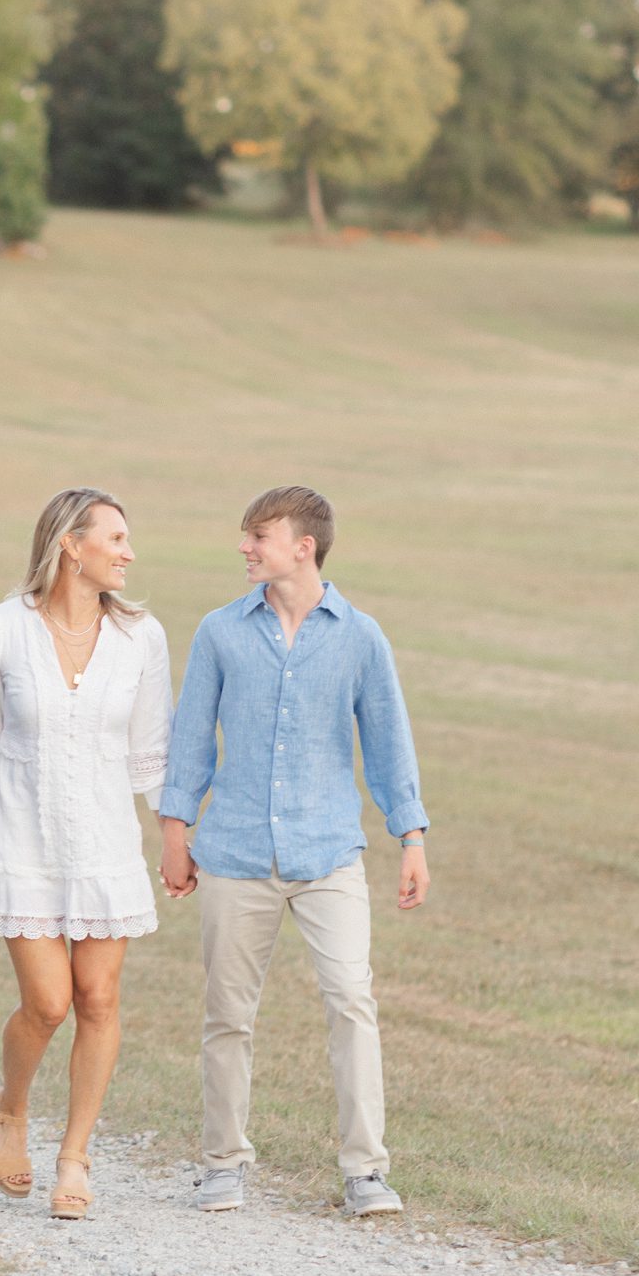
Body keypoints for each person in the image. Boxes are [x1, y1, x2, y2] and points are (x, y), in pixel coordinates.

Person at [158, 485, 428, 1221]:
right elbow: (190, 739)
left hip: (328, 853)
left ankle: (366, 1172)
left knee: (350, 1001)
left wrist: (412, 838)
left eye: (259, 537)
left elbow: (388, 741)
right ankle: (222, 1165)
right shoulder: (219, 632)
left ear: (303, 547)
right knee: (227, 1014)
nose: (245, 547)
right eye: (246, 537)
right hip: (234, 853)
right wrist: (175, 834)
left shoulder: (360, 637)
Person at [0, 488, 173, 1221]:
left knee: (100, 1000)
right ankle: (9, 1110)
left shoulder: (142, 636)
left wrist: (175, 838)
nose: (128, 551)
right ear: (69, 546)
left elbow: (151, 756)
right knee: (48, 1003)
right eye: (114, 538)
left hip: (107, 844)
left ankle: (75, 1157)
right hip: (22, 838)